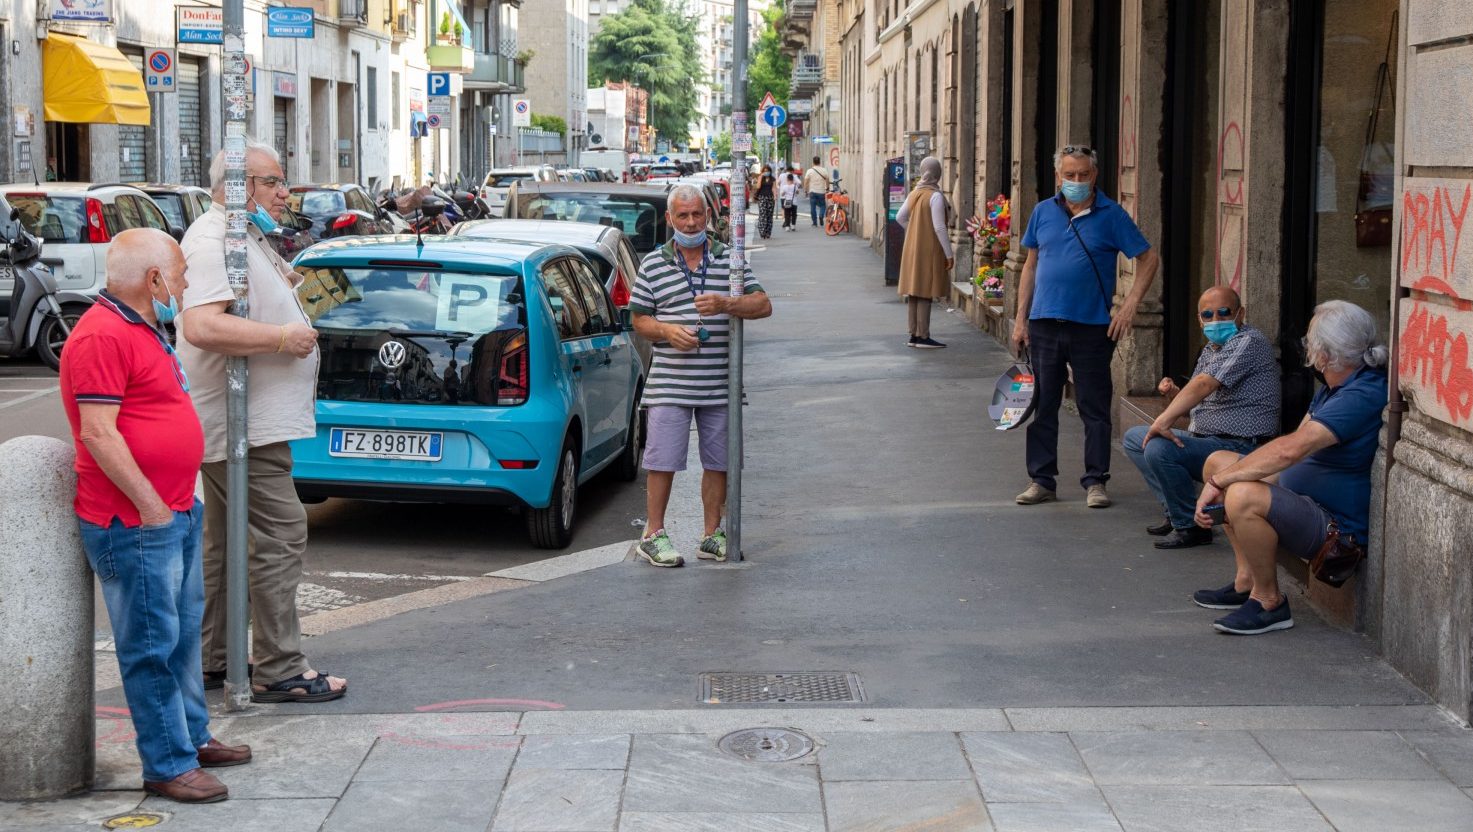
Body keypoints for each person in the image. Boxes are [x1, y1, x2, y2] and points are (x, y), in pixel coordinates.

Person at [60, 229, 251, 803]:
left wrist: (175, 502)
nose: (186, 286)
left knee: (180, 636)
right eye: (181, 276)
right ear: (153, 280)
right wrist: (149, 506)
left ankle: (190, 738)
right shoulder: (101, 336)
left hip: (171, 511)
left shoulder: (141, 326)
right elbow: (97, 431)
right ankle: (167, 763)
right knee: (150, 643)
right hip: (137, 523)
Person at [177, 139, 347, 703]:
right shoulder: (212, 241)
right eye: (273, 181)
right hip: (240, 425)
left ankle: (216, 659)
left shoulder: (240, 236)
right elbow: (202, 325)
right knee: (280, 534)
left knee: (225, 545)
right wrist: (281, 336)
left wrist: (293, 298)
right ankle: (280, 667)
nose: (285, 191)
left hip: (250, 423)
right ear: (238, 187)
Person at [1191, 301, 1387, 635]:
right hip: (1304, 500)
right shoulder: (1332, 389)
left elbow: (1291, 449)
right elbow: (1292, 446)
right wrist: (1222, 478)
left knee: (1242, 494)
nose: (1308, 348)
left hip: (1335, 531)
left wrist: (1223, 484)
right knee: (1219, 462)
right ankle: (1247, 580)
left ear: (1325, 353)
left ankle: (1269, 602)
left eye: (1311, 341)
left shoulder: (1361, 394)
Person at [629, 184, 773, 567]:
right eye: (683, 215)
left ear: (708, 216)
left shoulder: (730, 260)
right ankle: (653, 534)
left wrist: (728, 303)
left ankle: (712, 535)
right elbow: (639, 319)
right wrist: (667, 331)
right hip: (669, 384)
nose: (690, 223)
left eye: (697, 215)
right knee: (662, 459)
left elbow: (763, 304)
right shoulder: (653, 264)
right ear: (669, 219)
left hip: (720, 383)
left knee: (719, 460)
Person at [1011, 144, 1161, 508]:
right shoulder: (1043, 212)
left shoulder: (1111, 215)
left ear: (1094, 175)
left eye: (1083, 174)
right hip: (1044, 322)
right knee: (1043, 404)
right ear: (1058, 176)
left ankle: (1096, 481)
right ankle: (1042, 479)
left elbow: (1148, 256)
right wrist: (1020, 319)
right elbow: (1030, 265)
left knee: (1094, 406)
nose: (1076, 181)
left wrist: (1129, 308)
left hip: (1092, 327)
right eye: (1069, 175)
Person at [1122, 286, 1281, 549]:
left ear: (1240, 313)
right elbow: (1196, 402)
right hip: (1206, 439)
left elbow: (1204, 385)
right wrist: (1174, 393)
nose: (1216, 321)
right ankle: (1177, 513)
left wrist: (1162, 421)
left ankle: (1191, 527)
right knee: (1134, 438)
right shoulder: (1211, 349)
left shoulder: (1248, 341)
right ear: (1199, 319)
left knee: (1158, 446)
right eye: (1208, 315)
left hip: (1239, 446)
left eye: (1224, 313)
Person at [896, 156, 954, 349]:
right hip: (929, 249)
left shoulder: (915, 193)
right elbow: (939, 227)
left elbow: (900, 217)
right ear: (937, 174)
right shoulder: (935, 196)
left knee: (915, 289)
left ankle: (913, 334)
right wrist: (949, 254)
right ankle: (923, 336)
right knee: (926, 289)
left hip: (912, 247)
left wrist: (914, 231)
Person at [802, 156, 830, 227]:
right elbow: (827, 180)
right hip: (821, 192)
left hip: (812, 192)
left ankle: (814, 222)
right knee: (823, 205)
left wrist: (805, 190)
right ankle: (821, 215)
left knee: (813, 207)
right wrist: (827, 188)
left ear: (813, 162)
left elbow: (806, 181)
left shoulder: (809, 171)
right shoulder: (824, 170)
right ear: (820, 162)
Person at [754, 164, 776, 239]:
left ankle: (768, 233)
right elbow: (758, 187)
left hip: (770, 198)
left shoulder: (772, 179)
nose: (766, 172)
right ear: (762, 171)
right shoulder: (761, 178)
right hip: (762, 198)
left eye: (768, 171)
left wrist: (775, 196)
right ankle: (762, 231)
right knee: (763, 215)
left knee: (769, 216)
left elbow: (774, 188)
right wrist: (760, 177)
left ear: (770, 171)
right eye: (765, 171)